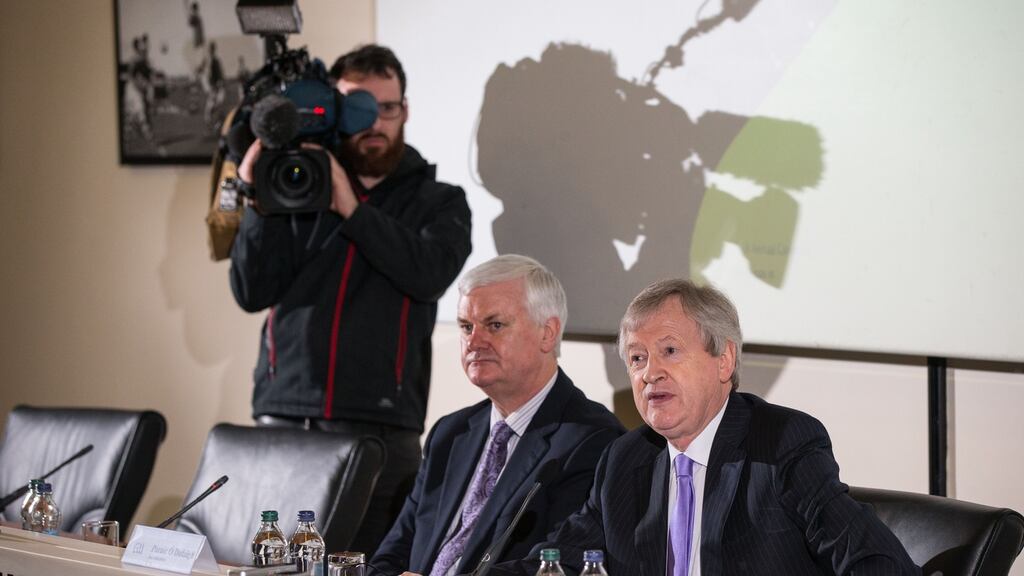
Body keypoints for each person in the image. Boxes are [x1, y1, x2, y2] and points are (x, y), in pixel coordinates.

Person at [490, 279, 917, 575]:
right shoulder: (626, 459)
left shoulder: (781, 445)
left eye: (670, 351)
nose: (649, 373)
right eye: (637, 359)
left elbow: (875, 563)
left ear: (724, 360)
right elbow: (556, 562)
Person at [229, 44, 472, 555]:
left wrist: (350, 207)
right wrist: (256, 193)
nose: (376, 122)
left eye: (388, 108)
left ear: (405, 111)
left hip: (384, 433)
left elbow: (427, 274)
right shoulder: (296, 185)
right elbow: (251, 290)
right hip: (285, 416)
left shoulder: (440, 202)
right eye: (359, 107)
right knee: (273, 567)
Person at [371, 254, 624, 576]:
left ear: (548, 333)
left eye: (494, 325)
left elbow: (557, 565)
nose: (474, 342)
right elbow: (390, 556)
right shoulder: (451, 434)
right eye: (466, 326)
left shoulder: (591, 440)